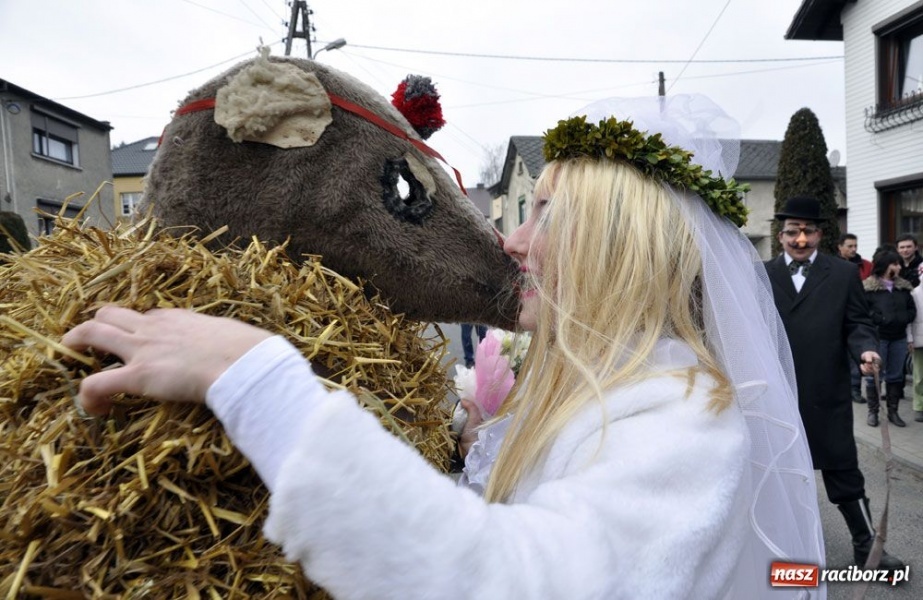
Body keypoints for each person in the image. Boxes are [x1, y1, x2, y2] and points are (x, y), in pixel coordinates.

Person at [62, 95, 824, 598]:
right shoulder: (606, 389)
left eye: (545, 216)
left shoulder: (685, 419)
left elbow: (507, 579)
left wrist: (256, 380)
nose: (512, 240)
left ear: (619, 246)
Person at [765, 196, 904, 570]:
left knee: (843, 470)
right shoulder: (759, 275)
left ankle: (866, 547)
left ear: (820, 234)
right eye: (793, 232)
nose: (801, 239)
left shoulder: (842, 274)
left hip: (827, 391)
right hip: (774, 397)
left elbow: (858, 324)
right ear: (781, 236)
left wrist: (867, 350)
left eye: (808, 231)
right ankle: (777, 550)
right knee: (774, 476)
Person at [863, 251, 915, 427]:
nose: (899, 267)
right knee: (875, 376)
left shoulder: (904, 288)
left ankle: (893, 412)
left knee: (895, 376)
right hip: (879, 339)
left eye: (900, 264)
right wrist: (880, 319)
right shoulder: (869, 288)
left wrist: (904, 318)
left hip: (898, 339)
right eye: (895, 264)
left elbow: (911, 310)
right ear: (885, 266)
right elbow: (865, 311)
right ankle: (873, 412)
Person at [837, 233, 872, 402]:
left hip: (857, 313)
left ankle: (855, 388)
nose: (853, 249)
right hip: (837, 316)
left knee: (856, 355)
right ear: (840, 247)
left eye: (855, 246)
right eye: (849, 246)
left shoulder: (865, 265)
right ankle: (849, 388)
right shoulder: (832, 266)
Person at [910, 273, 923, 422]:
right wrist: (910, 339)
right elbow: (910, 320)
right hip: (920, 339)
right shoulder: (914, 293)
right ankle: (919, 406)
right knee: (919, 376)